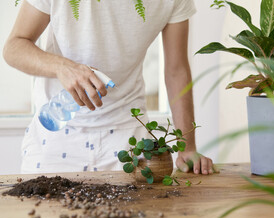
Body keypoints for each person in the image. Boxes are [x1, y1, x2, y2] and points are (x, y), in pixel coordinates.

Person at [3, 0, 214, 175]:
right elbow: (14, 47)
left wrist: (188, 147)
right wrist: (62, 67)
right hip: (56, 133)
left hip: (128, 139)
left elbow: (176, 70)